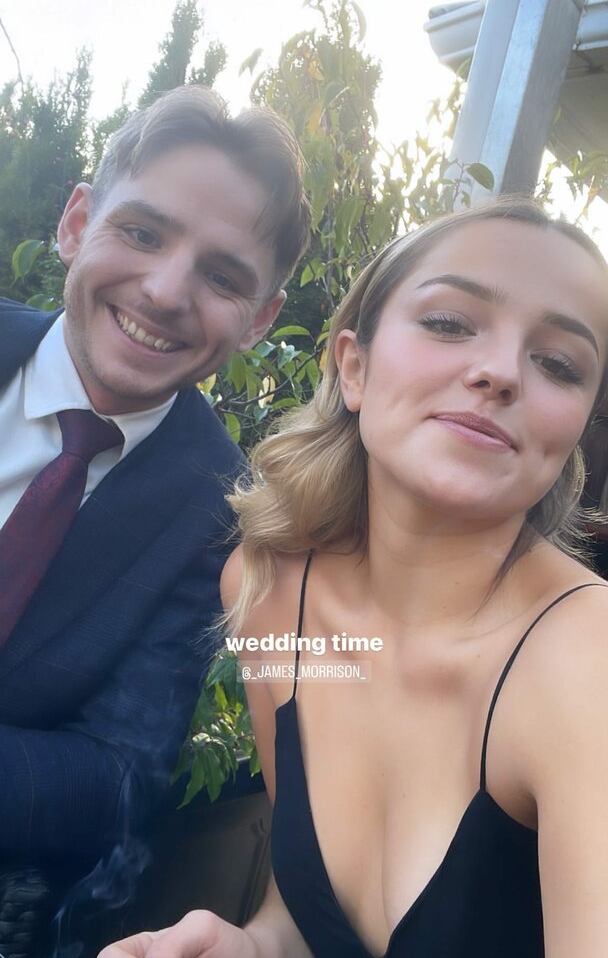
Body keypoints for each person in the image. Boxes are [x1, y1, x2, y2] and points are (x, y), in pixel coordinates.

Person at [101, 199, 608, 958]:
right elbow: (303, 910)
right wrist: (252, 946)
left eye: (560, 365)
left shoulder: (587, 661)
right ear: (354, 366)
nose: (502, 372)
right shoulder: (266, 592)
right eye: (450, 322)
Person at [0, 85, 309, 943]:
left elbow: (120, 779)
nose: (167, 291)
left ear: (261, 319)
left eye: (223, 277)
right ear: (76, 223)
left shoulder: (218, 514)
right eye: (141, 233)